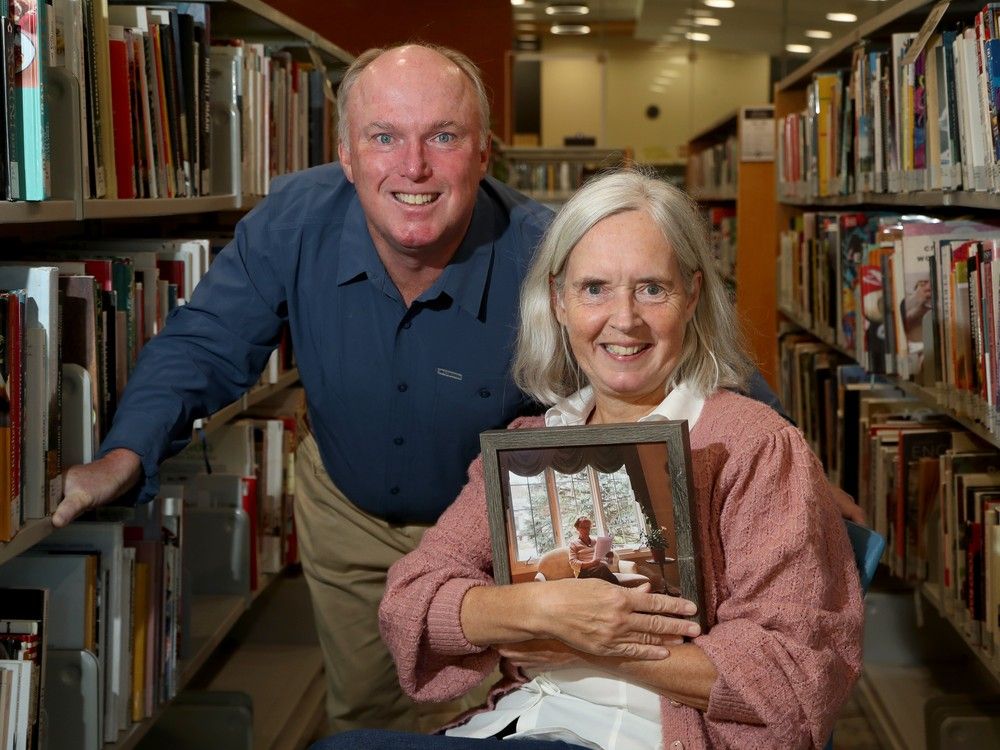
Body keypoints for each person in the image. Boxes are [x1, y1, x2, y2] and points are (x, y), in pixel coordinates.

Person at [51, 43, 861, 734]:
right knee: (365, 709)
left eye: (443, 136)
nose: (413, 167)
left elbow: (677, 346)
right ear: (346, 153)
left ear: (483, 152)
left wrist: (798, 470)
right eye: (385, 137)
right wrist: (124, 453)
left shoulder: (548, 248)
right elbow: (204, 342)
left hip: (502, 526)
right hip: (350, 515)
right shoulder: (294, 220)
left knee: (513, 701)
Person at [313, 170, 864, 750]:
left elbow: (792, 676)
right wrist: (539, 607)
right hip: (527, 722)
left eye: (652, 288)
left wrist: (591, 644)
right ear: (558, 301)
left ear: (694, 295)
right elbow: (409, 602)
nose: (623, 320)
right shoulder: (532, 440)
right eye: (594, 289)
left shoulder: (753, 445)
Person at [567, 517, 618, 585]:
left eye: (588, 527)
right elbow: (573, 563)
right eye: (583, 527)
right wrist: (592, 563)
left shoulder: (596, 541)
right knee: (602, 569)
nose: (586, 530)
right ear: (577, 528)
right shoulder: (573, 544)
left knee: (602, 570)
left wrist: (608, 555)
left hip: (599, 569)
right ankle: (621, 590)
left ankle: (617, 591)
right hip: (583, 573)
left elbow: (609, 561)